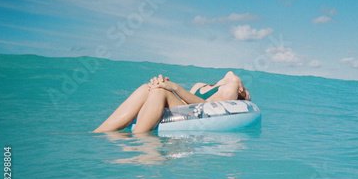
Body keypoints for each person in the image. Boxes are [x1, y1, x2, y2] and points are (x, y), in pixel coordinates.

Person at [93, 71, 251, 133]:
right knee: (146, 88)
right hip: (186, 107)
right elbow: (185, 101)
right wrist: (165, 84)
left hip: (197, 112)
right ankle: (99, 133)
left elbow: (205, 107)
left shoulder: (231, 88)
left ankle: (139, 141)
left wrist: (173, 87)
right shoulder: (202, 85)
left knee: (160, 92)